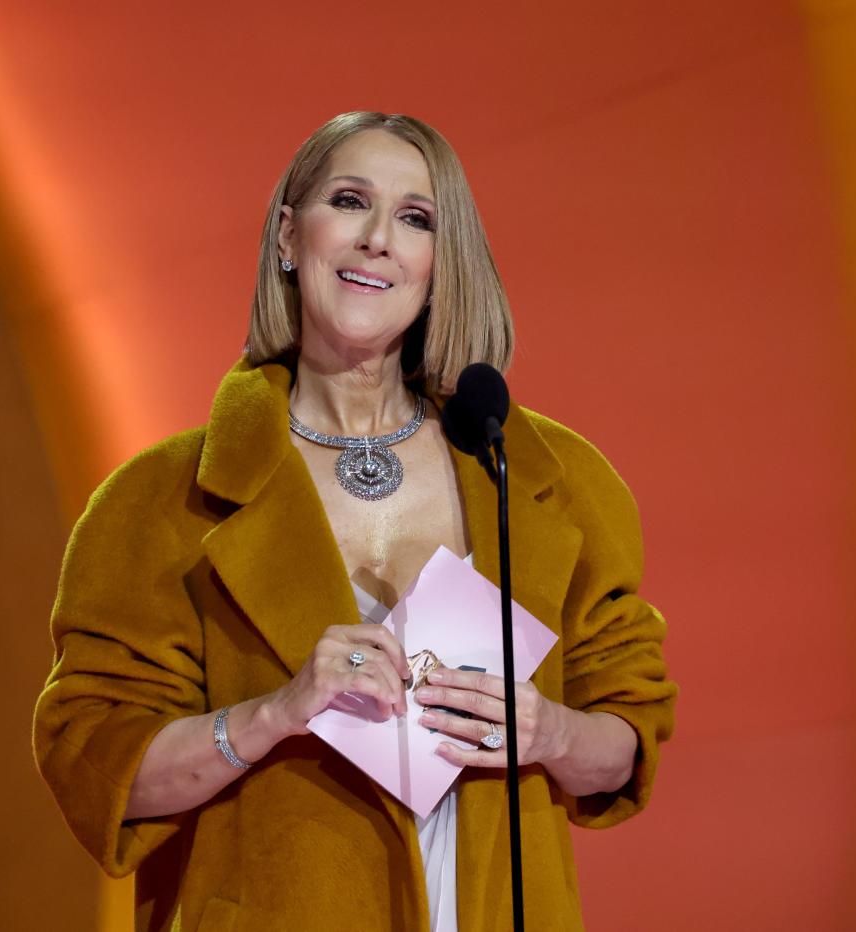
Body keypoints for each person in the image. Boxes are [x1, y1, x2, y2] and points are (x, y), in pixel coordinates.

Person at [34, 111, 677, 932]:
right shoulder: (158, 502)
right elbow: (98, 766)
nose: (379, 239)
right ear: (288, 237)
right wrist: (275, 712)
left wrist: (550, 731)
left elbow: (630, 733)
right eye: (349, 201)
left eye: (416, 219)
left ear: (439, 266)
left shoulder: (547, 479)